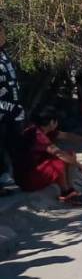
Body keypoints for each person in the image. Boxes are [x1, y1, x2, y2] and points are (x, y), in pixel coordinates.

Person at [12, 110, 82, 206]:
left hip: (34, 171)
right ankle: (65, 193)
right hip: (27, 179)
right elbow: (58, 153)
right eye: (56, 121)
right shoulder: (37, 135)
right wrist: (81, 166)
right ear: (52, 122)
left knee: (69, 154)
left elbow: (67, 136)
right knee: (59, 160)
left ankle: (70, 189)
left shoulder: (43, 130)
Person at [0, 18, 26, 193]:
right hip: (3, 112)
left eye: (2, 31)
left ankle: (19, 178)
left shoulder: (4, 54)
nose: (3, 35)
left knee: (14, 145)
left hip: (13, 111)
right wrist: (11, 107)